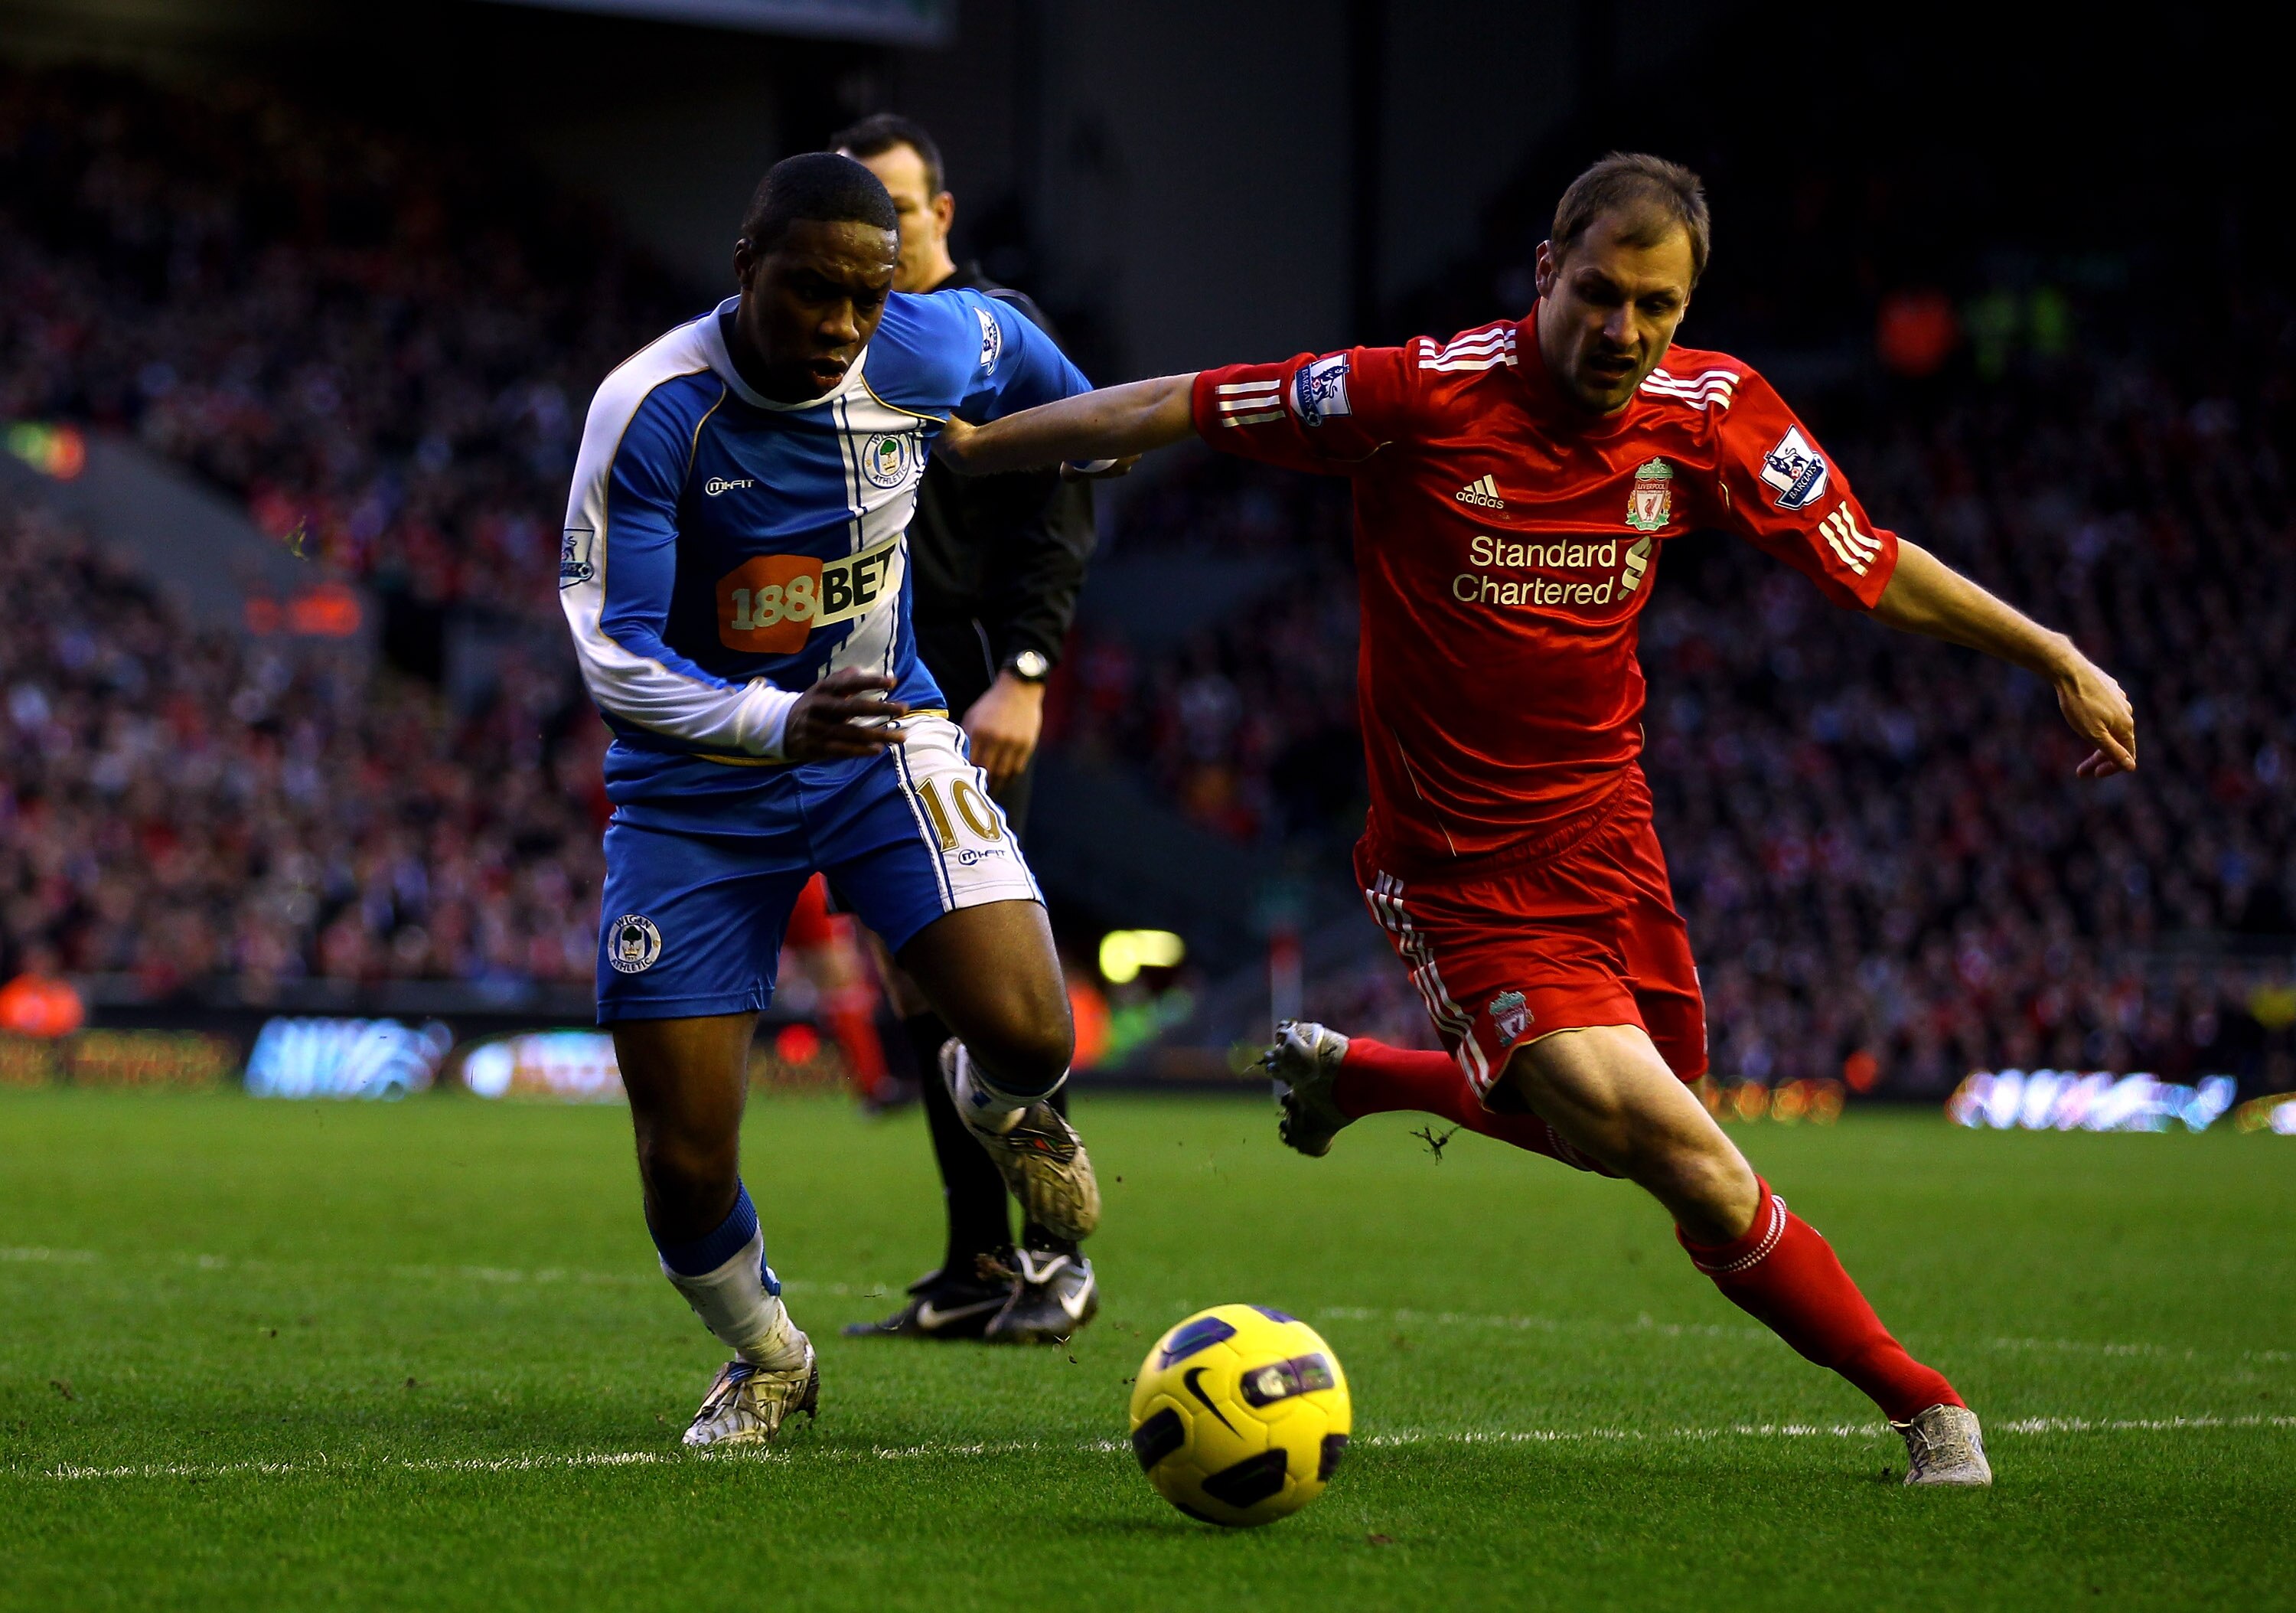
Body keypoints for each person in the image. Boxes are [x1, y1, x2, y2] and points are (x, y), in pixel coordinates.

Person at [933, 152, 2142, 1487]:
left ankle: (1362, 1074)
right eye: (1604, 295)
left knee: (1627, 1131)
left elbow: (1871, 563)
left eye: (1659, 307)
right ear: (1546, 274)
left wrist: (2053, 653)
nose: (1626, 333)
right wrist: (984, 451)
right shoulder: (1416, 395)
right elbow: (1174, 404)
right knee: (1692, 1163)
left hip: (1613, 844)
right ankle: (1929, 1407)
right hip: (1457, 871)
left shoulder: (1713, 408)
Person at [559, 152, 1103, 1449]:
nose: (840, 328)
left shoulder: (929, 336)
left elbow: (1043, 374)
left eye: (866, 300)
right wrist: (774, 720)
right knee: (682, 1166)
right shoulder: (650, 408)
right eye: (811, 293)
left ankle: (987, 1091)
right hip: (695, 791)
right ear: (747, 269)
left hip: (883, 741)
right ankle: (768, 1354)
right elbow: (613, 653)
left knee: (1035, 1034)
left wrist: (1075, 434)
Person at [830, 113, 1101, 1346]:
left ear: (943, 213)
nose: (882, 233)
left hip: (975, 672)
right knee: (912, 972)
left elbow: (1066, 511)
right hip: (871, 683)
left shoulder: (996, 334)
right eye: (860, 213)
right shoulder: (843, 343)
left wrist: (1029, 672)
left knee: (988, 971)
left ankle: (1059, 1259)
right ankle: (975, 1262)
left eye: (899, 208)